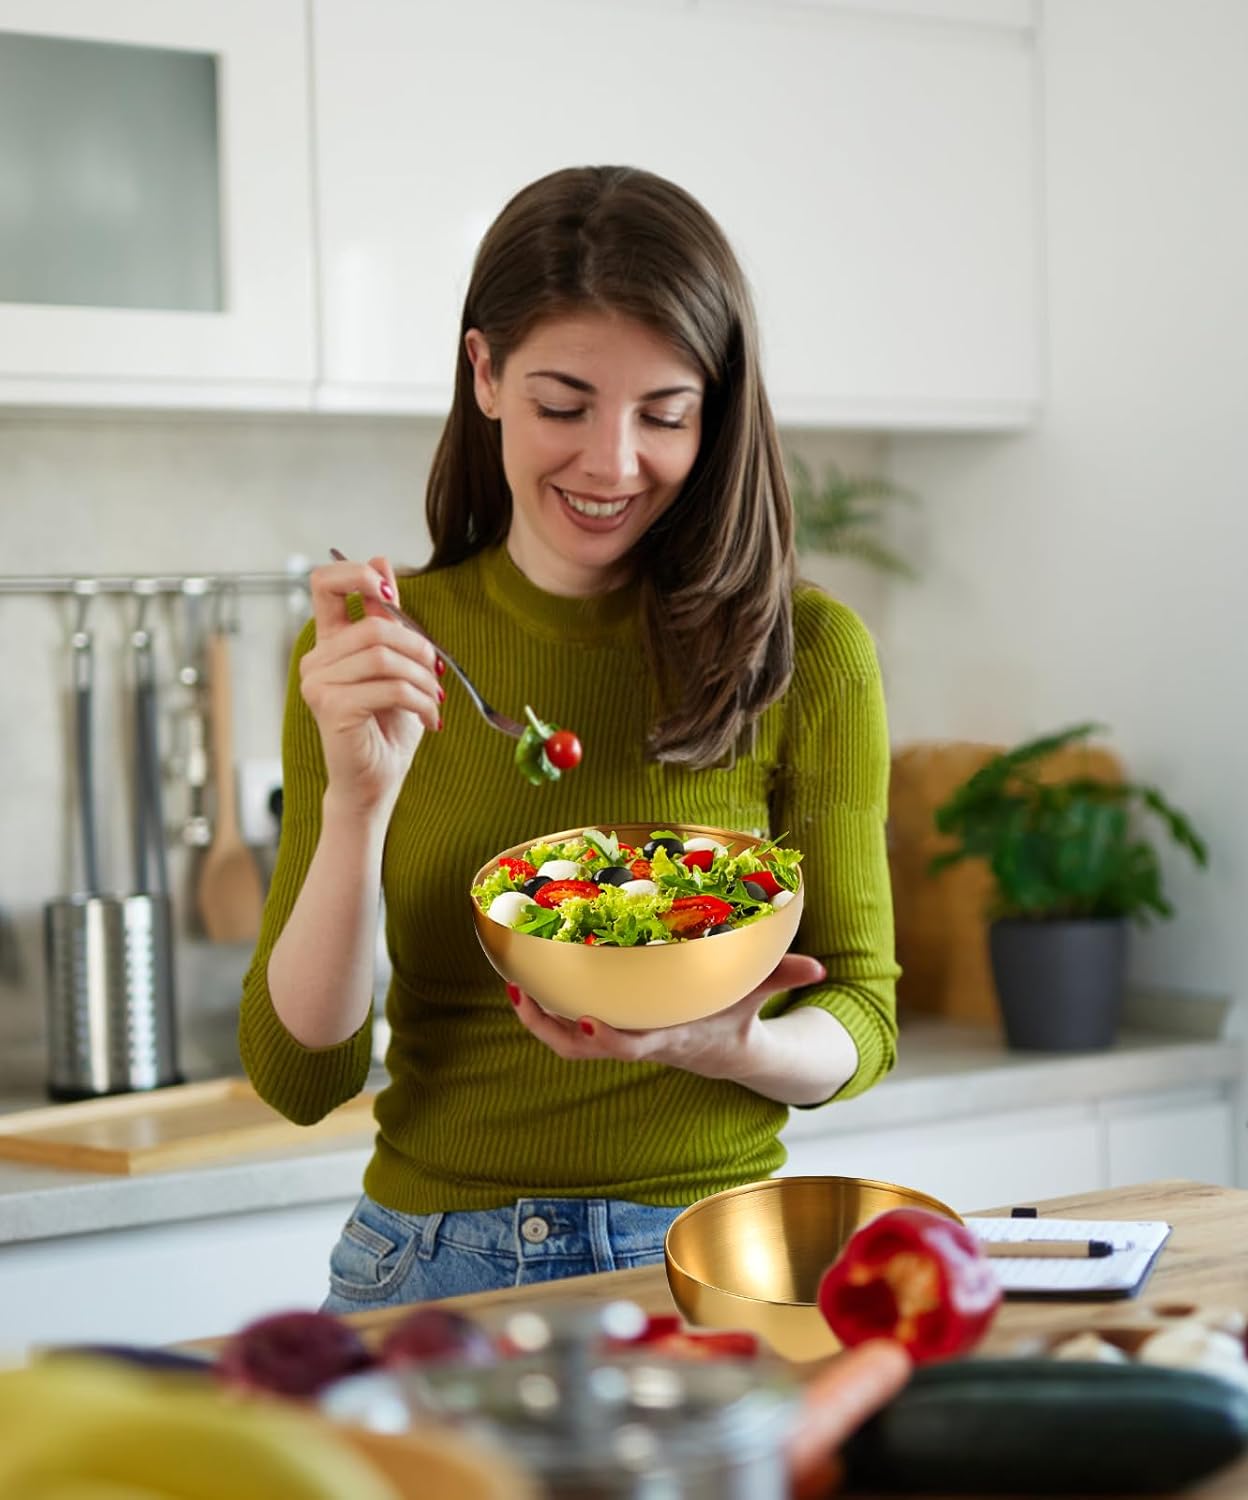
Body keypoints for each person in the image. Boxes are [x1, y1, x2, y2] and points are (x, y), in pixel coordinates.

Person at [240, 165, 900, 1312]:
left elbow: (863, 1013)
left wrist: (721, 1046)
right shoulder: (386, 648)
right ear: (485, 373)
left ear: (719, 409)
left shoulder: (808, 652)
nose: (612, 463)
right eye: (564, 405)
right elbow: (302, 1076)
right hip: (427, 1267)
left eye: (666, 413)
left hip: (708, 1258)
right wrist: (356, 800)